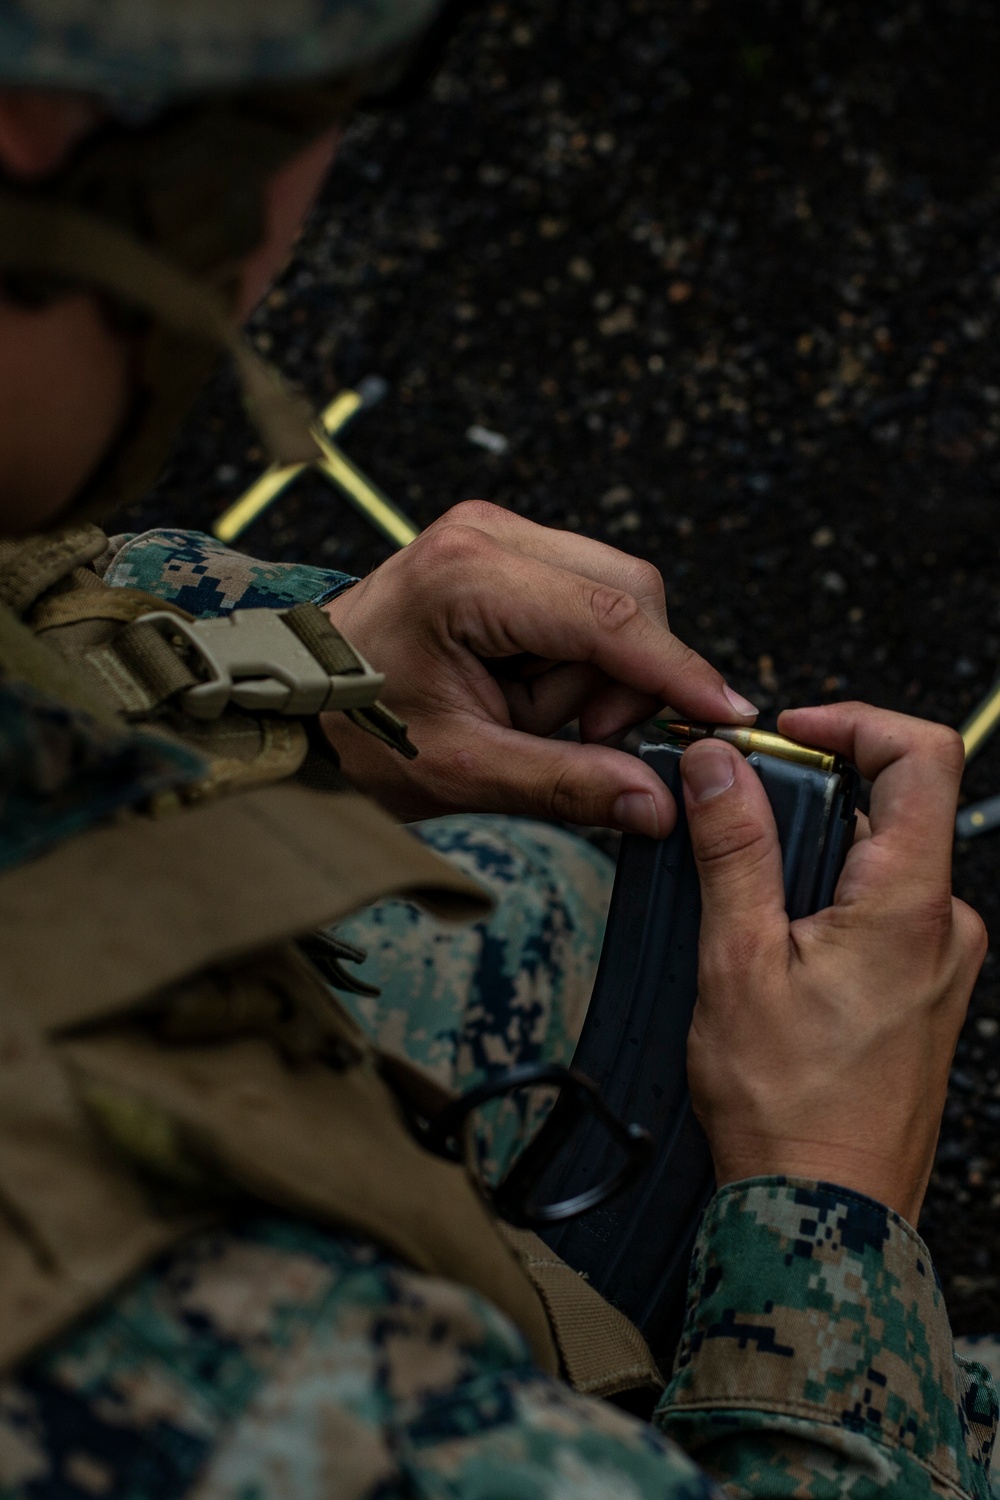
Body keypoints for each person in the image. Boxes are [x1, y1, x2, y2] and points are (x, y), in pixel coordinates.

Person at [0, 3, 995, 1496]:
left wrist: (272, 670)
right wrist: (828, 1205)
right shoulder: (200, 1382)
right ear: (42, 146)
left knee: (560, 895)